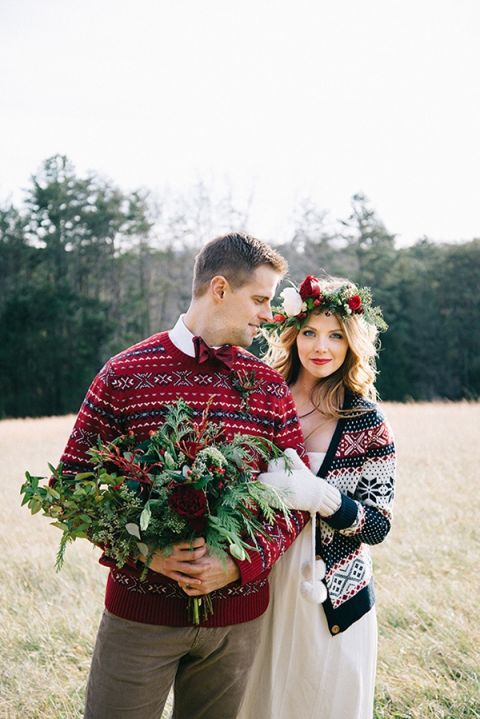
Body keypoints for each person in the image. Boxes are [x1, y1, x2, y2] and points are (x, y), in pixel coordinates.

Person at [57, 232, 308, 719]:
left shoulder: (268, 386)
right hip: (140, 617)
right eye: (259, 299)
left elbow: (295, 500)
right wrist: (146, 552)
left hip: (237, 624)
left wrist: (239, 565)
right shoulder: (124, 374)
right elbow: (69, 487)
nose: (268, 315)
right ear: (219, 289)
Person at [238, 274, 396, 719]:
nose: (320, 347)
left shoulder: (367, 422)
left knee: (324, 697)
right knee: (259, 697)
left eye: (334, 336)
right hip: (264, 575)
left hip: (334, 588)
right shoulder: (266, 400)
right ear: (292, 334)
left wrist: (323, 498)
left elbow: (379, 524)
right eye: (309, 332)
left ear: (350, 344)